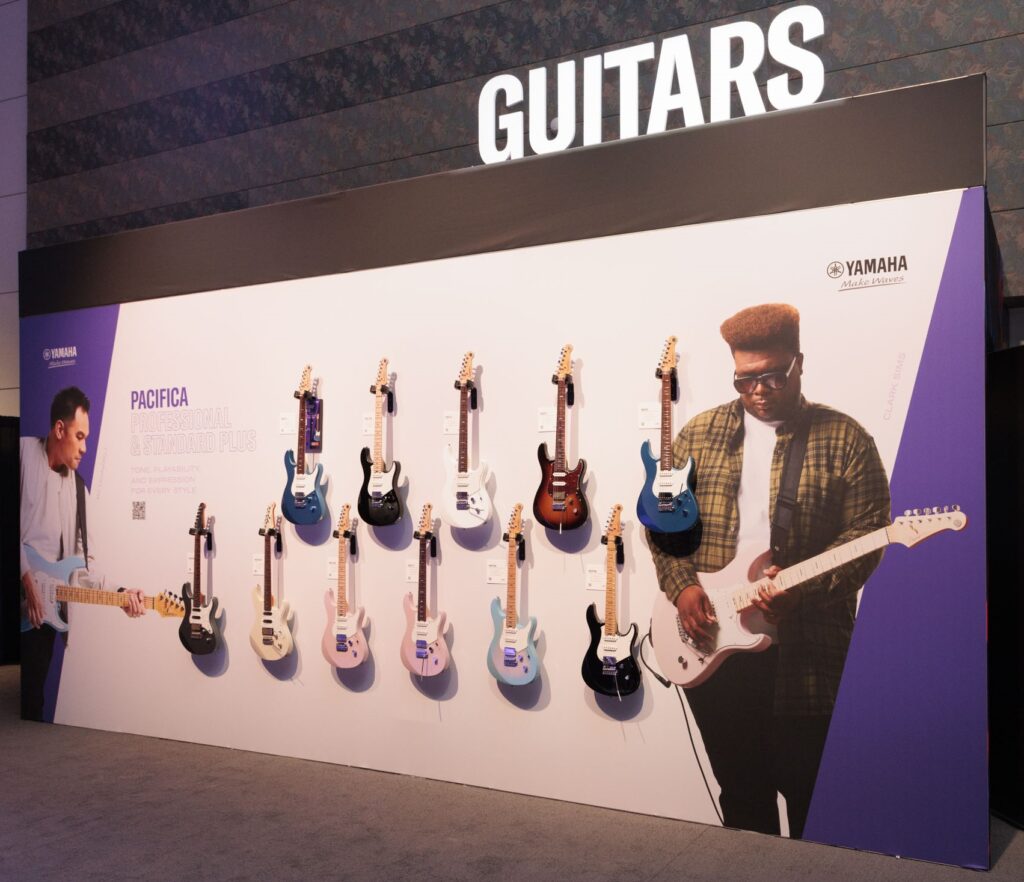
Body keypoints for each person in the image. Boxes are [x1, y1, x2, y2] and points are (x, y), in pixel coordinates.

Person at [648, 303, 890, 839]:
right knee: (742, 792)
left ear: (798, 363)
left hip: (808, 650)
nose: (759, 389)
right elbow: (663, 525)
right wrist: (683, 587)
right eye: (746, 379)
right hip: (714, 646)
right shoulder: (698, 435)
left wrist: (804, 591)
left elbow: (869, 535)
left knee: (814, 797)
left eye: (773, 375)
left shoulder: (845, 439)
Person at [20, 386, 144, 721]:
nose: (85, 447)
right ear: (59, 430)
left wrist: (120, 593)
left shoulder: (78, 489)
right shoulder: (22, 454)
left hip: (43, 611)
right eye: (79, 436)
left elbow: (82, 567)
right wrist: (26, 578)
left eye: (87, 438)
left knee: (32, 702)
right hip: (21, 591)